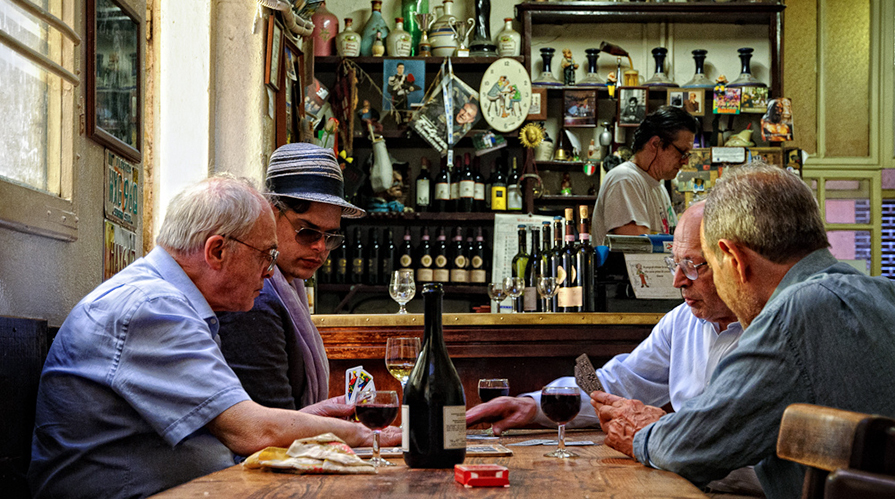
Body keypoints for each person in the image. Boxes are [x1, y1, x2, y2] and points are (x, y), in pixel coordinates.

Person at [28, 175, 398, 499]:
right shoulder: (151, 308)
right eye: (265, 256)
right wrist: (367, 435)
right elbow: (251, 432)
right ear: (217, 251)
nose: (270, 273)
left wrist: (311, 420)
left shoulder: (175, 304)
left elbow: (234, 426)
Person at [593, 164, 895, 499]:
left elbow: (690, 445)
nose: (681, 280)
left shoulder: (795, 313)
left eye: (703, 263)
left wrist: (643, 433)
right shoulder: (884, 293)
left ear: (734, 259)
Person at [466, 201, 741, 437]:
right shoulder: (682, 321)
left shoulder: (770, 328)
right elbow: (613, 385)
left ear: (733, 261)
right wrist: (533, 405)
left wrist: (664, 431)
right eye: (675, 264)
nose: (677, 281)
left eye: (691, 266)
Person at [217, 143, 364, 411]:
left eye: (331, 237)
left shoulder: (285, 288)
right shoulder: (255, 299)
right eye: (307, 231)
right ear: (270, 215)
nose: (320, 247)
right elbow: (273, 421)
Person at [591, 105, 698, 245]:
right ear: (655, 143)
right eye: (682, 152)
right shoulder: (625, 180)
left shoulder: (659, 187)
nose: (685, 161)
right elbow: (639, 251)